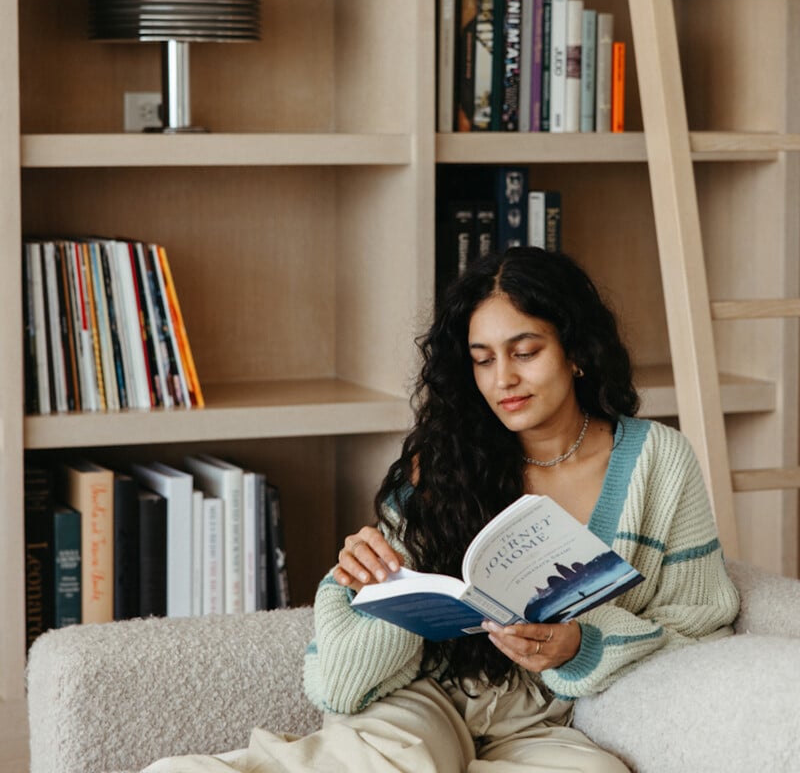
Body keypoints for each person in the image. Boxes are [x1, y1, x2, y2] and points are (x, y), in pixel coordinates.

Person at [145, 247, 740, 772]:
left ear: (577, 353)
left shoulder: (657, 460)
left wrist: (580, 642)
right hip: (424, 699)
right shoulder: (446, 461)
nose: (504, 378)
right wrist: (366, 583)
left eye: (525, 351)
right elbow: (339, 685)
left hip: (545, 724)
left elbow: (702, 619)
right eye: (483, 359)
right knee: (396, 760)